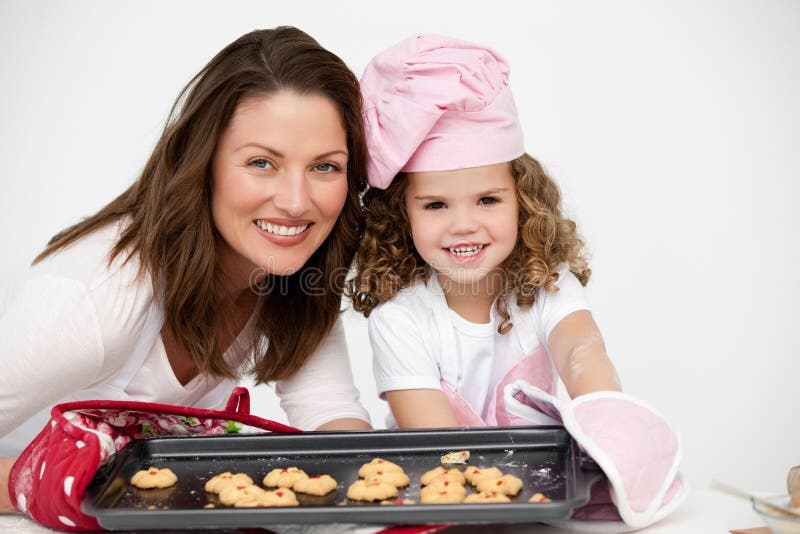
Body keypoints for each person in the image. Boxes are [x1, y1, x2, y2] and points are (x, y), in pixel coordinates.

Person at [0, 26, 372, 511]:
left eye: (325, 167)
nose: (296, 201)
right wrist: (58, 482)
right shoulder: (101, 297)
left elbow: (332, 415)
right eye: (262, 162)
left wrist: (372, 480)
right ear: (203, 161)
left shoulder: (290, 272)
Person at [348, 34, 622, 429]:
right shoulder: (400, 319)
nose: (463, 225)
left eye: (487, 201)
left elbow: (582, 349)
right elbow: (435, 447)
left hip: (537, 486)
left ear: (523, 200)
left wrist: (609, 420)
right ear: (400, 214)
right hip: (441, 483)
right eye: (436, 205)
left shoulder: (547, 287)